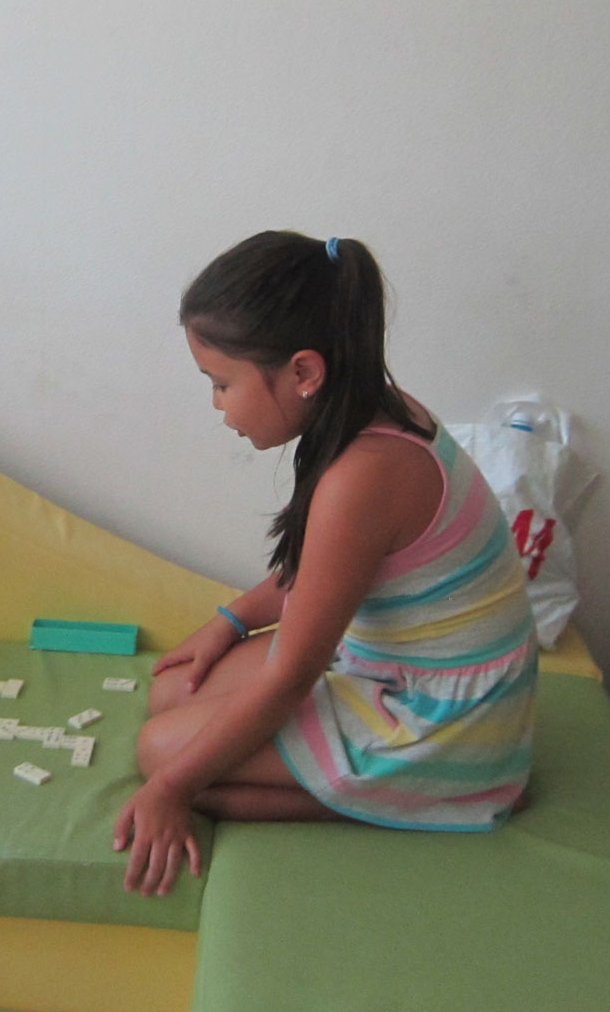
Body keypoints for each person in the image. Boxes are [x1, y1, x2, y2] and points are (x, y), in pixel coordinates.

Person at [113, 232, 536, 896]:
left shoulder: (365, 473)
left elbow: (291, 675)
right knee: (172, 691)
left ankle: (444, 795)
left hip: (442, 722)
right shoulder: (368, 409)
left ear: (304, 373)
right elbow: (322, 569)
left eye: (222, 383)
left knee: (160, 753)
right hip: (392, 667)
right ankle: (411, 786)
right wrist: (229, 621)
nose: (218, 405)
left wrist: (171, 789)